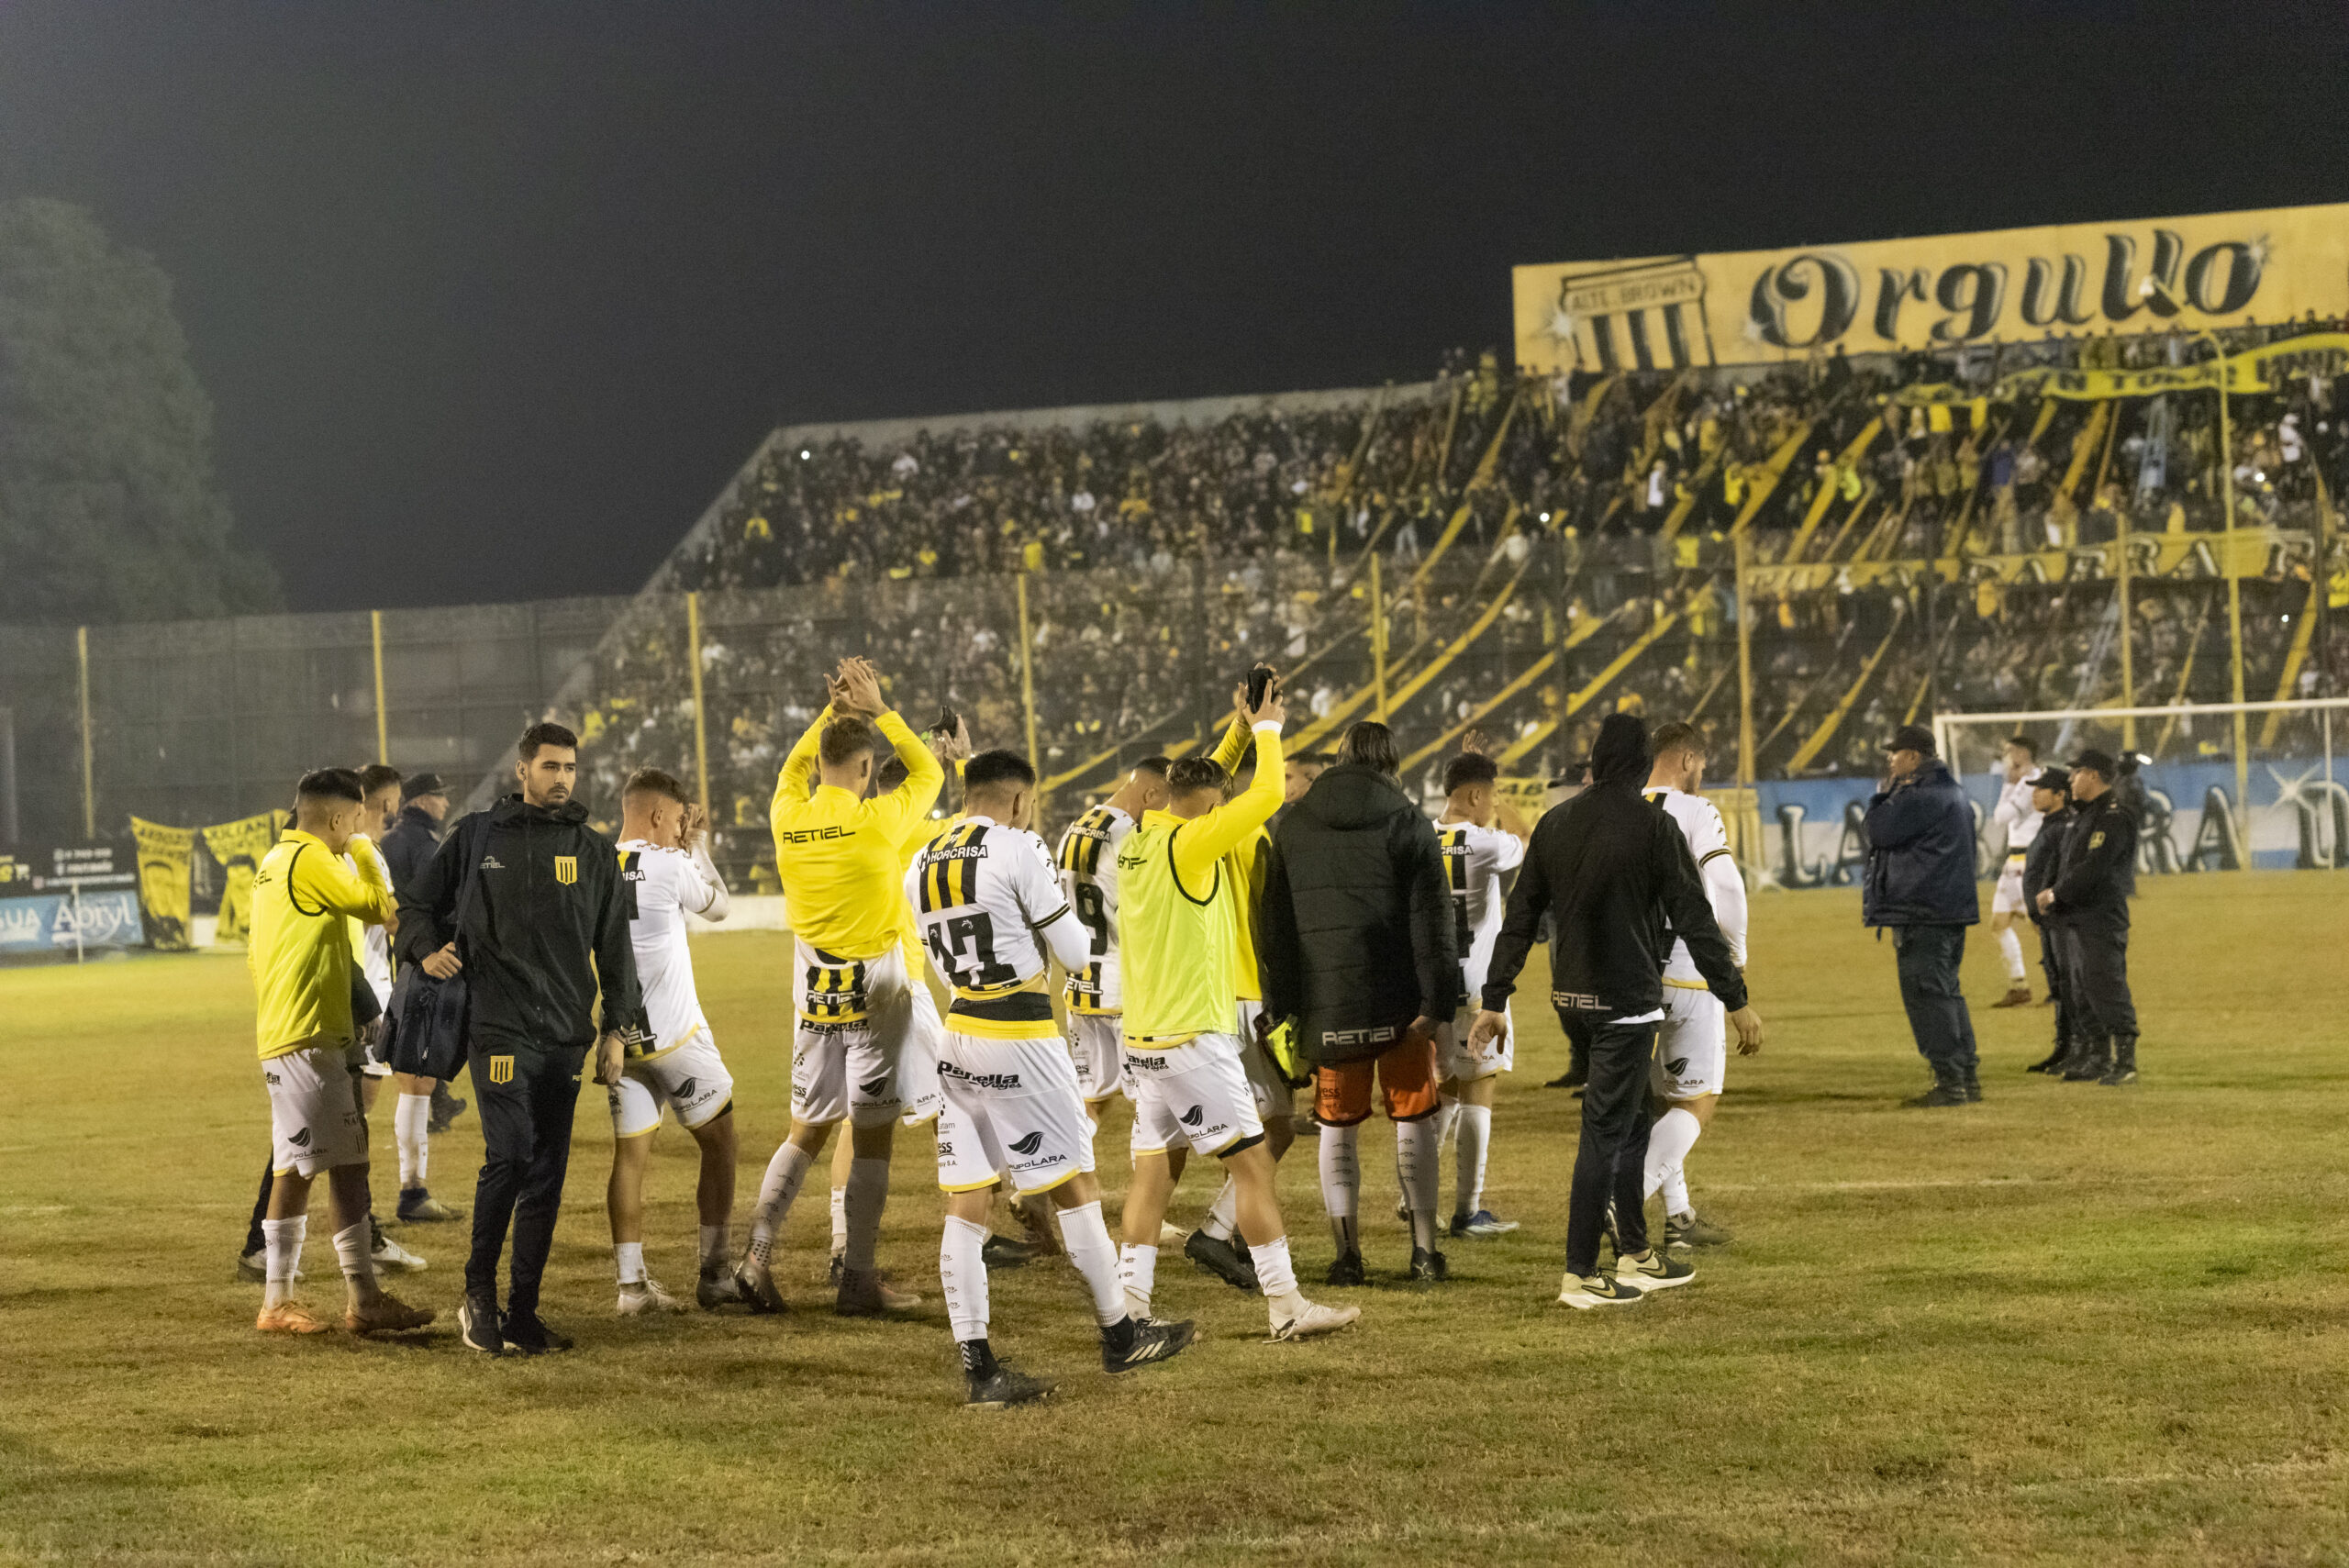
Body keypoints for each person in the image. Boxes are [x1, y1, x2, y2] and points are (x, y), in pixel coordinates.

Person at [909, 750, 1195, 1407]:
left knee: (967, 1203)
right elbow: (1074, 952)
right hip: (1021, 1036)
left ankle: (979, 1368)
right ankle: (1121, 1334)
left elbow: (937, 955)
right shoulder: (1018, 846)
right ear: (1016, 801)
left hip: (958, 1035)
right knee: (1076, 1186)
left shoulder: (922, 859)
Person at [1471, 713, 1763, 1310]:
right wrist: (1736, 999)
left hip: (1572, 1000)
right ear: (1636, 763)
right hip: (1627, 1004)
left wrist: (1496, 998)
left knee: (1632, 1123)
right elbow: (1696, 919)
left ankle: (1636, 1251)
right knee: (1606, 1132)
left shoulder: (1556, 823)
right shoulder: (1654, 827)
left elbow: (1522, 917)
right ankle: (1580, 1273)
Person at [1114, 673, 1356, 1341]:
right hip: (1195, 1038)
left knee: (1153, 1175)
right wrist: (1272, 726)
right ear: (1203, 810)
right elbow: (1268, 791)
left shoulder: (1139, 840)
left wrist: (1239, 730)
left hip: (1145, 1040)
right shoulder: (1194, 846)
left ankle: (1129, 1309)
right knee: (1252, 1164)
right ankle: (1285, 1305)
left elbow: (1201, 787)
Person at [397, 721, 647, 1357]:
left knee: (547, 1176)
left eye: (570, 767)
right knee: (509, 1154)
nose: (562, 777)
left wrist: (615, 1032)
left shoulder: (593, 852)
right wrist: (427, 951)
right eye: (550, 766)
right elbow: (415, 905)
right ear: (523, 770)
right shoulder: (478, 836)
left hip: (565, 1035)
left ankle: (523, 1311)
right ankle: (477, 1292)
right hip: (498, 1027)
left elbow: (615, 948)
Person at [737, 657, 942, 1317]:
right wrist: (879, 708)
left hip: (814, 1001)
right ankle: (857, 1277)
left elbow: (790, 771)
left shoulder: (785, 816)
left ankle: (756, 1256)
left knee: (805, 1131)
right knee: (873, 1137)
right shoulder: (877, 820)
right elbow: (931, 771)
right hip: (876, 1001)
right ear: (862, 771)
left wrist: (833, 712)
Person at [1259, 719, 1458, 1284]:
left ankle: (1347, 1257)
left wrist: (1287, 1006)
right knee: (1414, 1118)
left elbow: (1275, 929)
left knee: (1336, 1126)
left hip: (1329, 1003)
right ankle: (1423, 1252)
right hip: (1400, 1007)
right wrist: (1436, 1002)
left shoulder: (1293, 826)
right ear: (1391, 766)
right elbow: (1433, 925)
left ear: (1340, 761)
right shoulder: (1409, 823)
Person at [245, 767, 432, 1336]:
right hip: (309, 1038)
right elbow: (380, 906)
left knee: (294, 1171)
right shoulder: (312, 860)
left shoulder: (274, 863)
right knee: (349, 1166)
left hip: (288, 1033)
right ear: (335, 818)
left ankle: (281, 1301)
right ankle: (363, 1298)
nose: (361, 828)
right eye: (355, 819)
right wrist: (366, 849)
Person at [1179, 706, 1308, 1292]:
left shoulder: (1176, 835)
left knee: (1160, 1143)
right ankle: (1219, 1231)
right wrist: (1263, 729)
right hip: (1245, 992)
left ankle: (1132, 1281)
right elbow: (1269, 921)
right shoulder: (1250, 835)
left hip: (1189, 999)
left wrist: (1235, 733)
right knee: (1276, 1125)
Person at [606, 768, 742, 1315]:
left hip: (620, 1036)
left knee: (630, 1158)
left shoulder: (595, 862)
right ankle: (714, 1275)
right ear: (659, 815)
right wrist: (699, 846)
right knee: (722, 1141)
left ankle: (631, 1288)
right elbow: (719, 905)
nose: (680, 830)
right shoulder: (668, 862)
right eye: (679, 821)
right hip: (675, 1036)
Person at [1637, 722, 1749, 1250]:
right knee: (1696, 1104)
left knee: (1662, 1103)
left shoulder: (1621, 807)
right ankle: (1618, 1203)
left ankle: (1679, 1218)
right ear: (1685, 760)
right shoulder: (1694, 811)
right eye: (1701, 766)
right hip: (1687, 969)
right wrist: (1736, 953)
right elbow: (1724, 881)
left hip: (1632, 974)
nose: (1702, 776)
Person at [1430, 751, 1531, 1239]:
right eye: (1489, 795)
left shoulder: (1421, 836)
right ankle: (1467, 1211)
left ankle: (1416, 1198)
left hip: (1432, 983)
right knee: (1479, 1090)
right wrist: (1506, 799)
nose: (1493, 805)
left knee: (1445, 1087)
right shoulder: (1485, 843)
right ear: (1473, 795)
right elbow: (1529, 840)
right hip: (1477, 987)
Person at [1862, 723, 1983, 1107]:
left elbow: (1878, 831)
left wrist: (1882, 796)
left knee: (1927, 997)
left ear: (1913, 756)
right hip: (1946, 908)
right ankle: (1966, 1076)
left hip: (1922, 909)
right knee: (1947, 992)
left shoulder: (1920, 795)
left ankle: (1951, 1083)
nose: (1890, 761)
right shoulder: (1952, 791)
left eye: (1894, 754)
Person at [1055, 758, 1171, 1128]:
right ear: (1152, 793)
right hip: (1126, 990)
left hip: (1081, 987)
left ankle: (1044, 1183)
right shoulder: (1131, 836)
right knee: (1153, 1107)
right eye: (1167, 803)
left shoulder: (1075, 827)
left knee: (1091, 1103)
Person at [2037, 751, 2141, 1086]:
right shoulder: (2084, 816)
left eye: (2076, 772)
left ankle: (2125, 1061)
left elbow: (2094, 867)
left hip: (2100, 915)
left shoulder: (2113, 816)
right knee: (2082, 988)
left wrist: (2056, 893)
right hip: (2077, 915)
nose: (2070, 780)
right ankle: (2098, 1057)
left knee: (2105, 984)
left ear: (2093, 776)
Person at [380, 771, 468, 1140]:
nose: (445, 802)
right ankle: (434, 1102)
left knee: (410, 1041)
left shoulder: (386, 840)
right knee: (425, 1046)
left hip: (394, 951)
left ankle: (438, 1100)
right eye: (439, 795)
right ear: (420, 801)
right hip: (423, 954)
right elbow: (434, 901)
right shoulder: (426, 842)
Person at [2019, 767, 2076, 1074]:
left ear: (2060, 794)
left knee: (2067, 983)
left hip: (2057, 918)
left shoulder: (2063, 827)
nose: (2035, 793)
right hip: (2046, 919)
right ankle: (2064, 1047)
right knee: (2057, 982)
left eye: (2042, 788)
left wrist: (2046, 906)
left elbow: (2059, 874)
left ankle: (2074, 1048)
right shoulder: (2051, 824)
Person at [1986, 736, 2043, 1007]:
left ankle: (2063, 987)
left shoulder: (2034, 781)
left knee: (2043, 928)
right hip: (2014, 862)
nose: (2005, 758)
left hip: (2030, 861)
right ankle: (2019, 986)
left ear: (2022, 753)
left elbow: (2001, 817)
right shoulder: (2021, 781)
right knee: (1999, 923)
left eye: (2008, 752)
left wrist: (2008, 785)